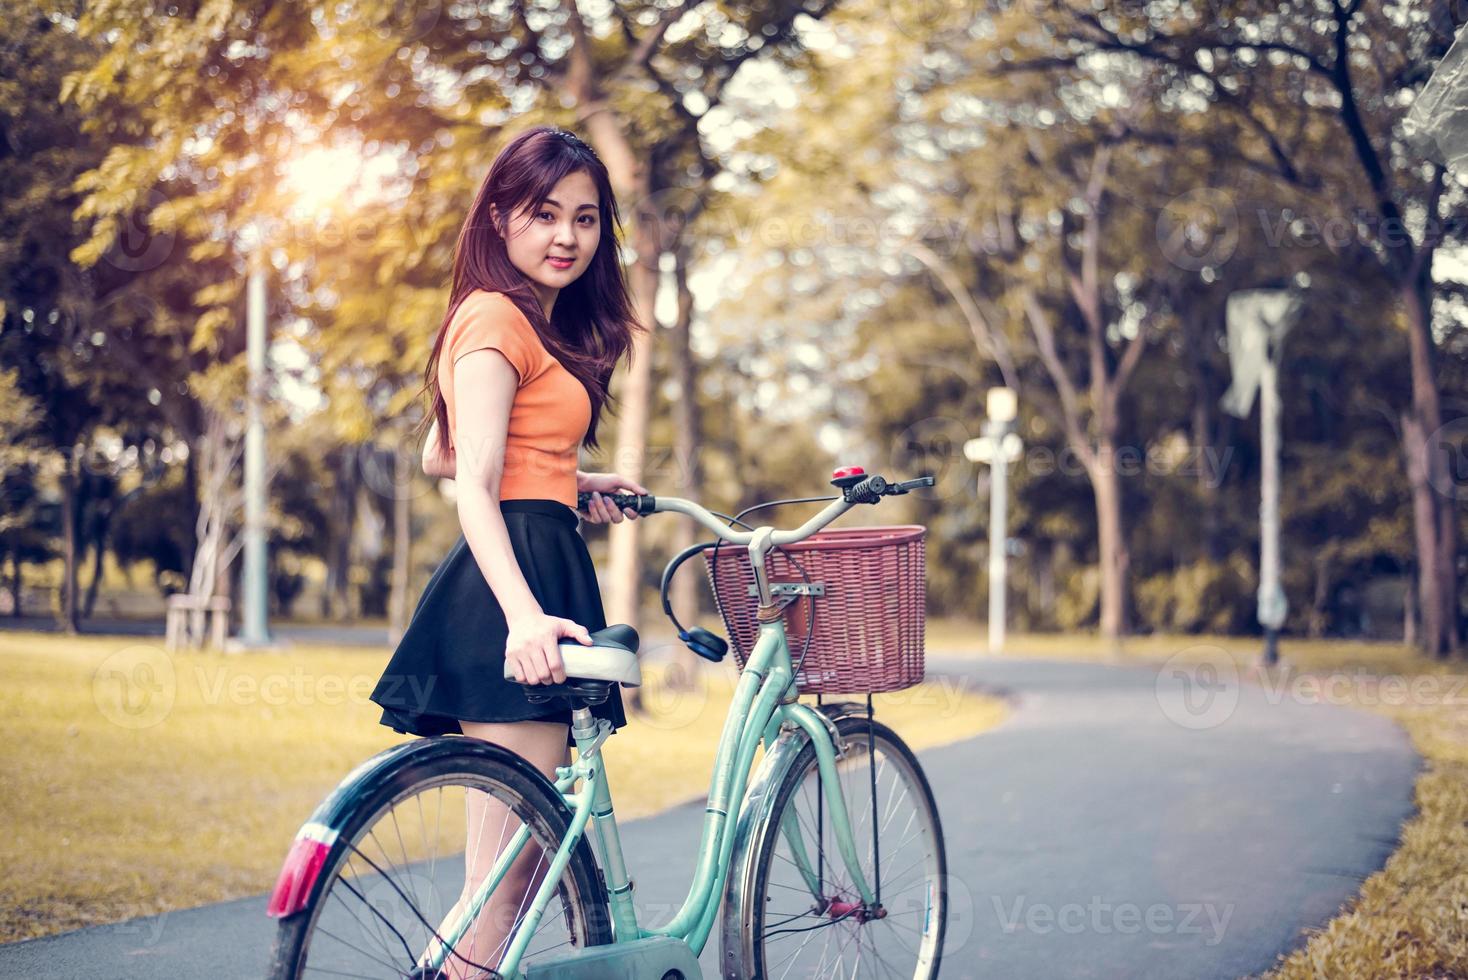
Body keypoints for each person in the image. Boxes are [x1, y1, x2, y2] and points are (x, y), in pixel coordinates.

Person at [367, 125, 647, 977]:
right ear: (499, 218)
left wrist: (568, 480)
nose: (567, 236)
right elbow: (469, 484)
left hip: (541, 547)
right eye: (544, 213)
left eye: (587, 218)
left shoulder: (528, 321)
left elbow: (439, 450)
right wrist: (524, 616)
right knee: (506, 875)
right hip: (511, 586)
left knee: (511, 873)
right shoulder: (492, 317)